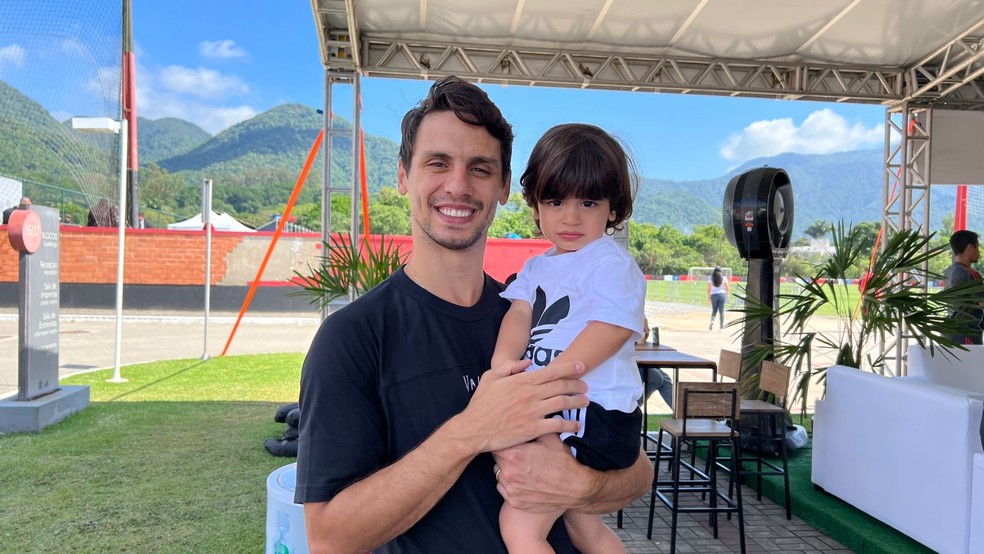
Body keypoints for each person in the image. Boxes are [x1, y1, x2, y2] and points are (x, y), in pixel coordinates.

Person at [294, 76, 652, 554]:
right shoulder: (353, 338)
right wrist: (471, 430)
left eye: (480, 168)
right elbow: (329, 538)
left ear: (504, 187)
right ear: (404, 176)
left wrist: (579, 487)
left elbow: (639, 474)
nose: (458, 186)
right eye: (437, 163)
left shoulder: (535, 316)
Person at [490, 123, 645, 554]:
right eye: (555, 201)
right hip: (568, 406)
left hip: (592, 411)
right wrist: (503, 365)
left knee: (519, 527)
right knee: (585, 528)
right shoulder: (537, 268)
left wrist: (551, 377)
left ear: (613, 209)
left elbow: (612, 328)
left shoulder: (610, 264)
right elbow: (519, 312)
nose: (571, 217)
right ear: (536, 206)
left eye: (588, 202)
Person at [943, 230, 984, 344]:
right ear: (970, 247)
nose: (979, 252)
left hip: (949, 334)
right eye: (977, 247)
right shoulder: (969, 273)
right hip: (966, 336)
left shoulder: (948, 271)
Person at [639, 317, 673, 409]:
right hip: (625, 362)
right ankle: (631, 409)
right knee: (656, 377)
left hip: (637, 358)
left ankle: (685, 414)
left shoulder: (636, 310)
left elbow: (642, 339)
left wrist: (644, 328)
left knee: (665, 379)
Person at [707, 266, 730, 331]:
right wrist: (727, 296)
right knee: (721, 311)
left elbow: (708, 289)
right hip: (722, 295)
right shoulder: (724, 278)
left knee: (714, 310)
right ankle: (721, 327)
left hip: (713, 295)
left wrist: (709, 298)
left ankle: (712, 321)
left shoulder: (710, 278)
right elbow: (727, 288)